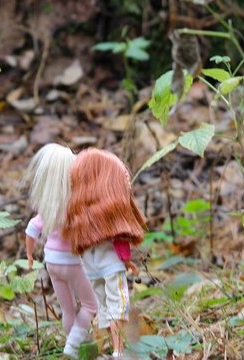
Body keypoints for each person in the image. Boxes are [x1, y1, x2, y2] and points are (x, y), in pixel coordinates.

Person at [62, 147, 148, 357]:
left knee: (101, 305)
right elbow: (120, 244)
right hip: (110, 267)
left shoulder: (81, 222)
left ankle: (106, 345)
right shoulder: (109, 221)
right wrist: (127, 261)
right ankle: (117, 349)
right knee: (117, 304)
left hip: (91, 268)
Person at [24, 143, 97, 358]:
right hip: (72, 262)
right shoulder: (73, 205)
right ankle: (72, 347)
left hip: (51, 262)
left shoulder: (49, 206)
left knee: (68, 309)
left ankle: (75, 345)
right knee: (91, 305)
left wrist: (29, 255)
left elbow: (32, 228)